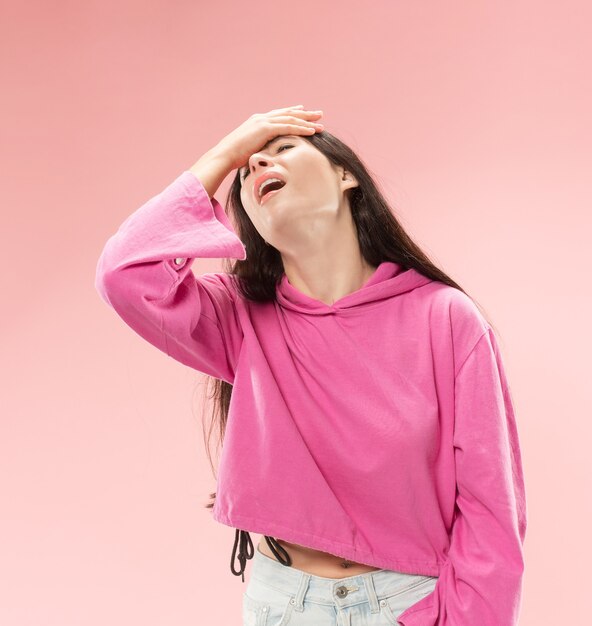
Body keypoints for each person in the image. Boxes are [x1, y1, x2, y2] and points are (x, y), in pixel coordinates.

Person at [95, 105, 527, 625]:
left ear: (346, 175)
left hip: (409, 606)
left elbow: (490, 510)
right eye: (246, 168)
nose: (256, 166)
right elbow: (124, 273)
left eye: (282, 150)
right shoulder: (237, 315)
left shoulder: (445, 317)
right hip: (282, 605)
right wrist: (223, 153)